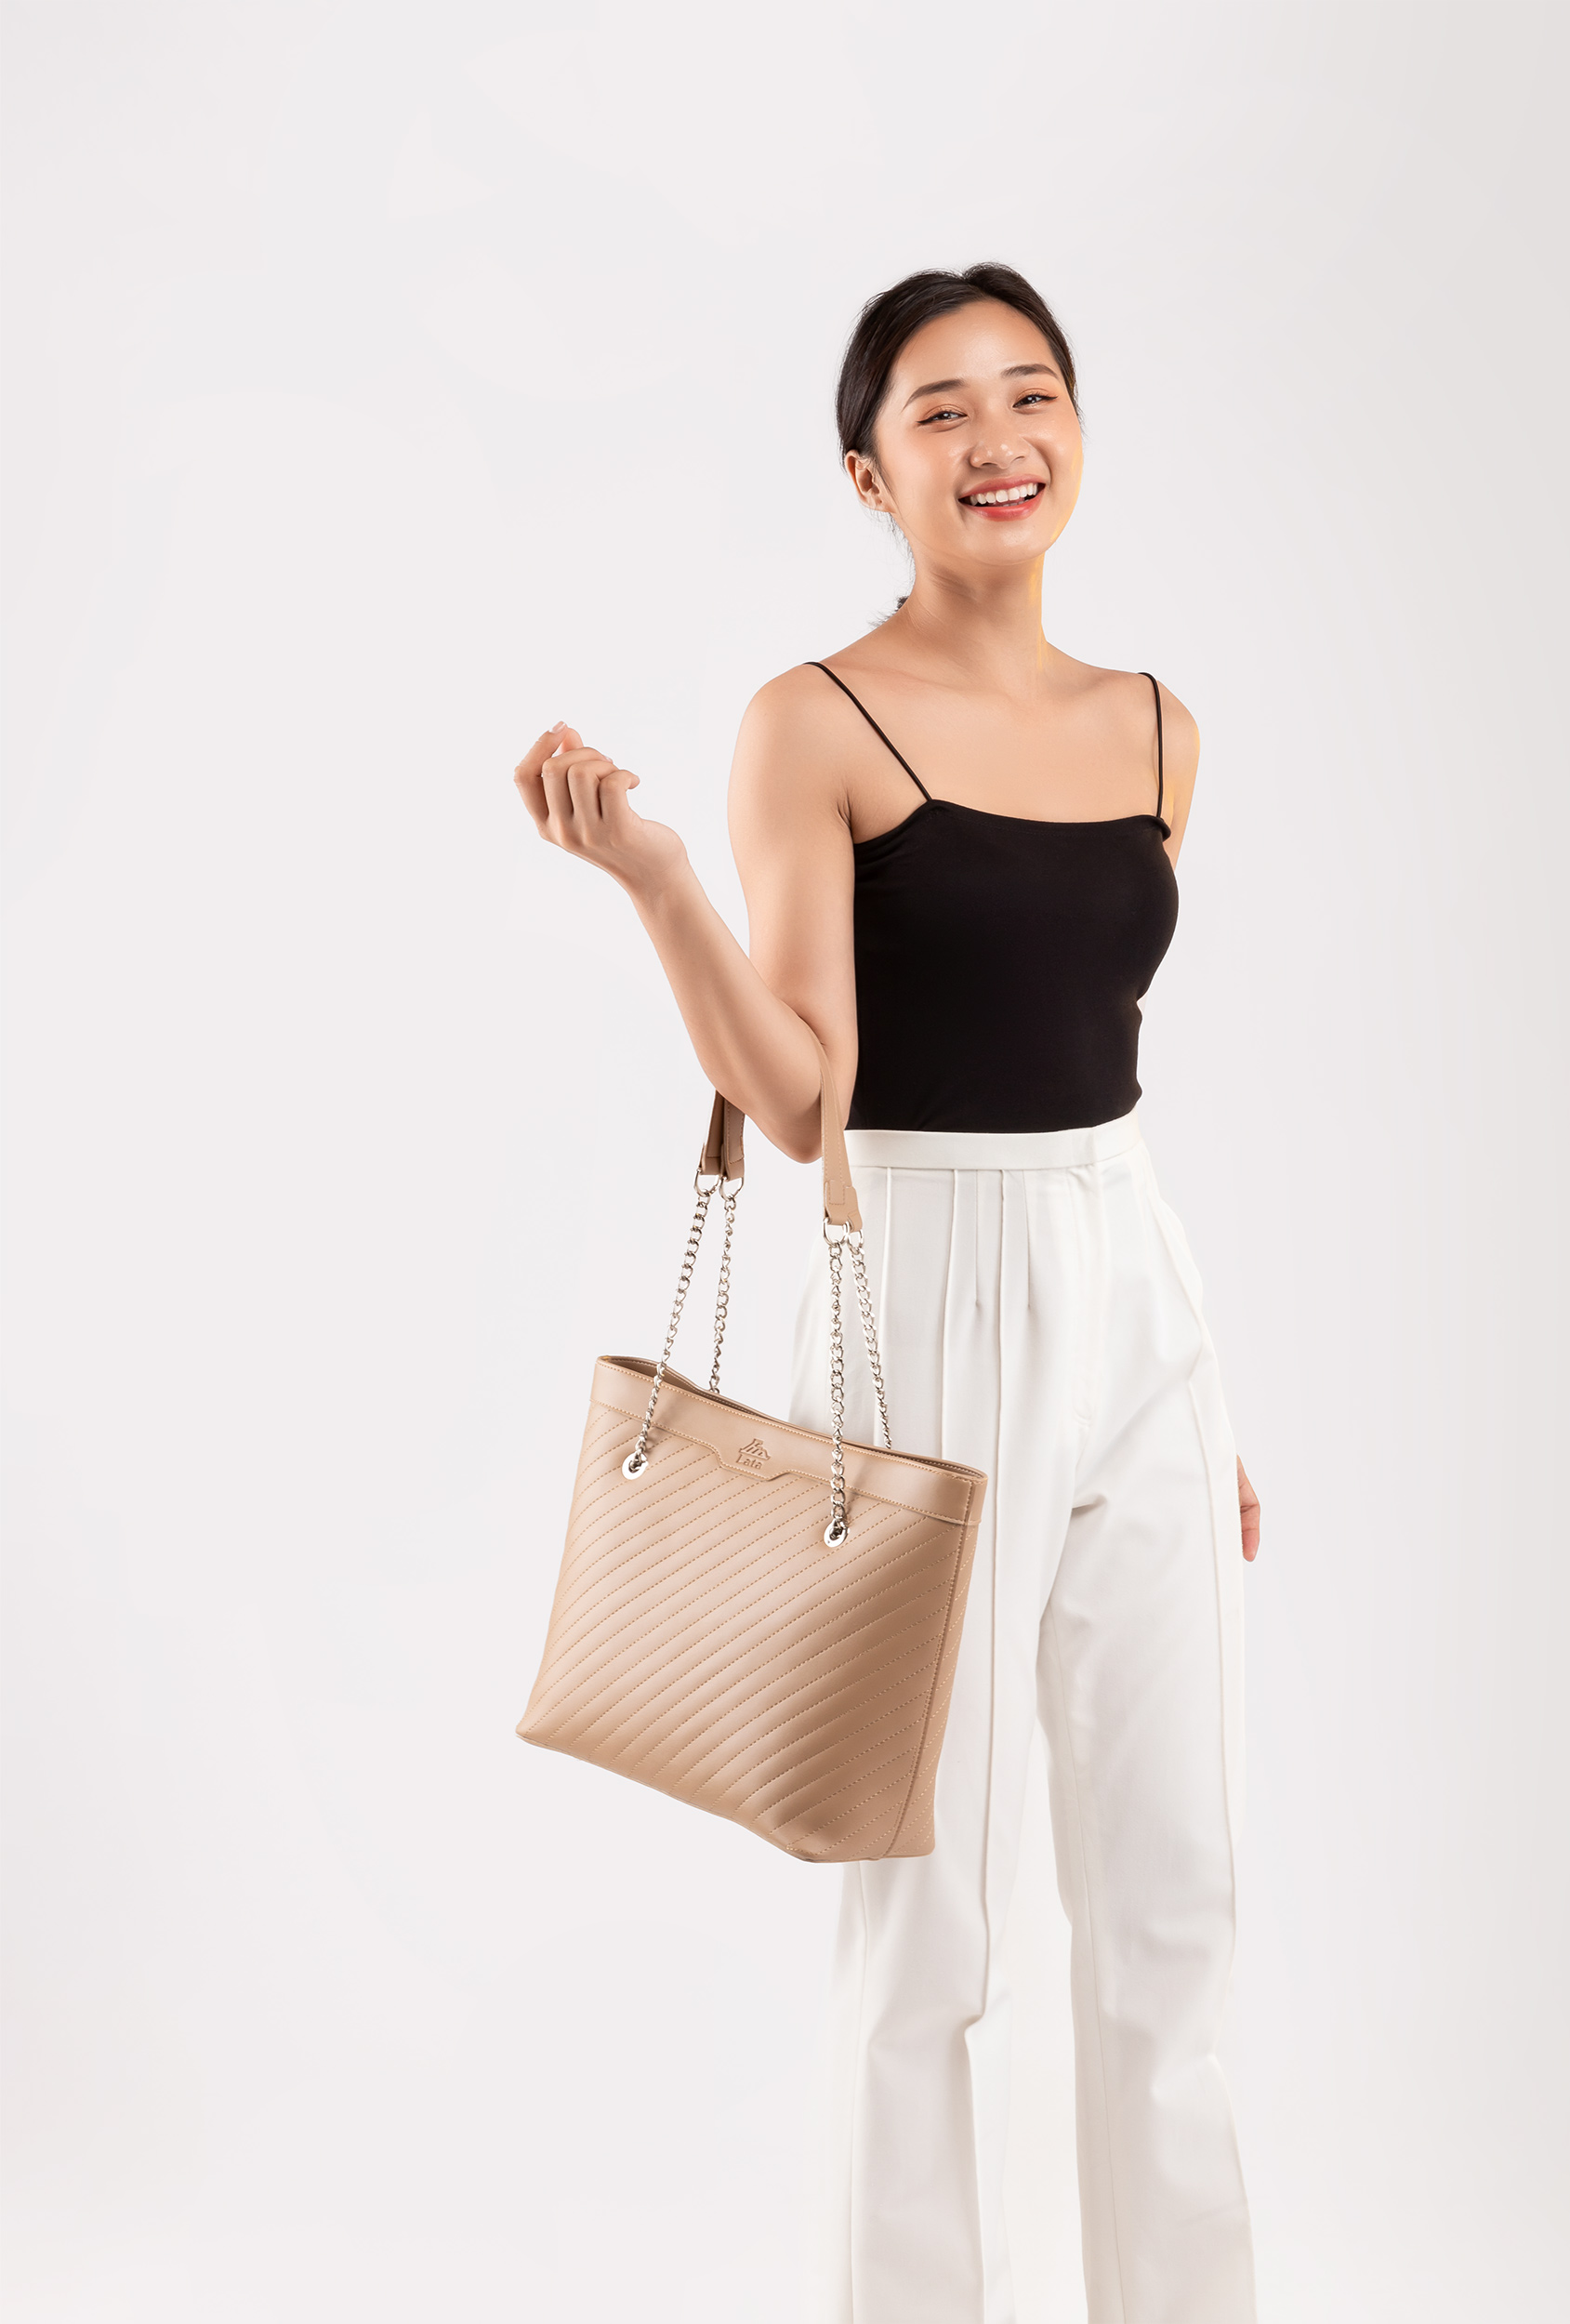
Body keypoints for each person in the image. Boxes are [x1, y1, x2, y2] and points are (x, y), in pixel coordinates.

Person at [513, 262, 1261, 2324]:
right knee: (931, 1931)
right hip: (922, 1295)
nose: (998, 439)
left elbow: (1102, 1070)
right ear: (869, 473)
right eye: (941, 411)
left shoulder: (1158, 729)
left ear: (1078, 430)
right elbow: (799, 1101)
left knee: (1179, 1907)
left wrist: (1194, 1394)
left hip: (1136, 1290)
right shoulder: (811, 720)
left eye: (1033, 394)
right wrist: (660, 880)